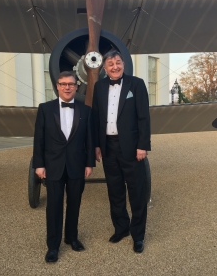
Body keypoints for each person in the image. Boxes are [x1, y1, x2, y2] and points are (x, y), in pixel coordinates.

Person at [92, 50, 151, 253]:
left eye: (118, 62)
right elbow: (96, 117)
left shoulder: (137, 84)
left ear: (123, 64)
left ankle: (138, 235)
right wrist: (96, 145)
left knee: (137, 191)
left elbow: (144, 117)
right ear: (104, 68)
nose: (114, 66)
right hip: (108, 147)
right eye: (110, 64)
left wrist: (142, 145)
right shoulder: (99, 87)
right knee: (115, 191)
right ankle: (121, 228)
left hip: (132, 147)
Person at [33, 71, 95, 263]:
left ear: (77, 87)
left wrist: (89, 163)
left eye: (71, 84)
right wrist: (39, 164)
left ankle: (72, 237)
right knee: (54, 206)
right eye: (63, 84)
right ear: (57, 86)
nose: (67, 87)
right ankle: (53, 246)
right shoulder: (45, 109)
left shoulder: (86, 111)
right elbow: (39, 139)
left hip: (77, 165)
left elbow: (90, 140)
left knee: (74, 204)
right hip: (53, 166)